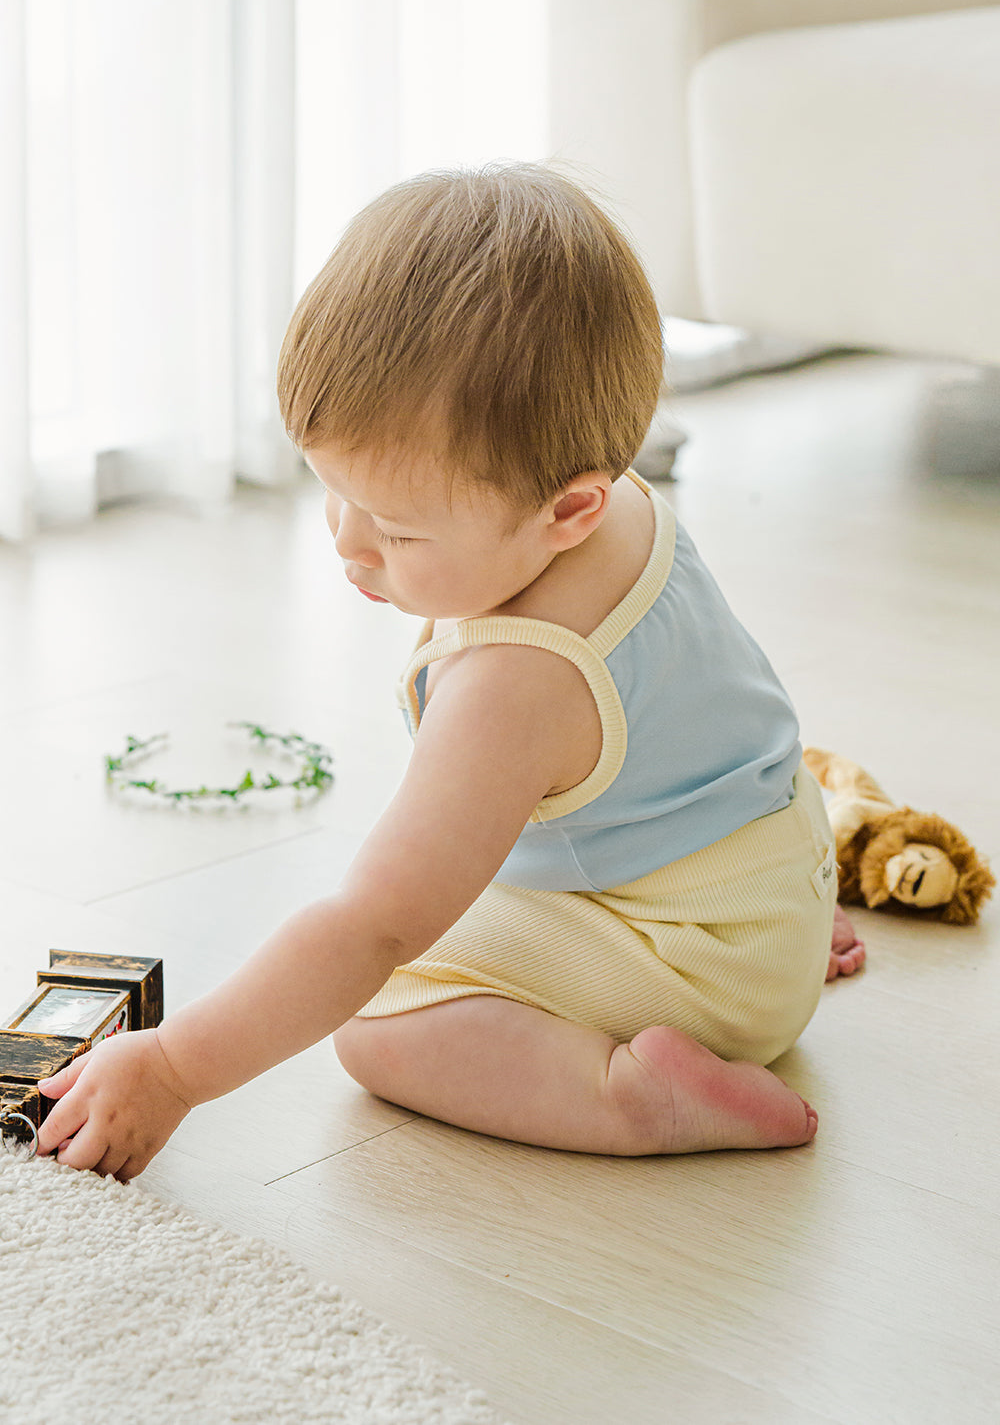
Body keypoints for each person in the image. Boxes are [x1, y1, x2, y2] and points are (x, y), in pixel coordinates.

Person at [36, 164, 864, 1182]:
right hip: (769, 864)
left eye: (394, 528)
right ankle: (751, 943)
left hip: (708, 957)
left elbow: (370, 928)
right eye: (330, 492)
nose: (347, 546)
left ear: (569, 510)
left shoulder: (515, 682)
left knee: (376, 1022)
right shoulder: (617, 498)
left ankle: (633, 1099)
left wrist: (174, 1066)